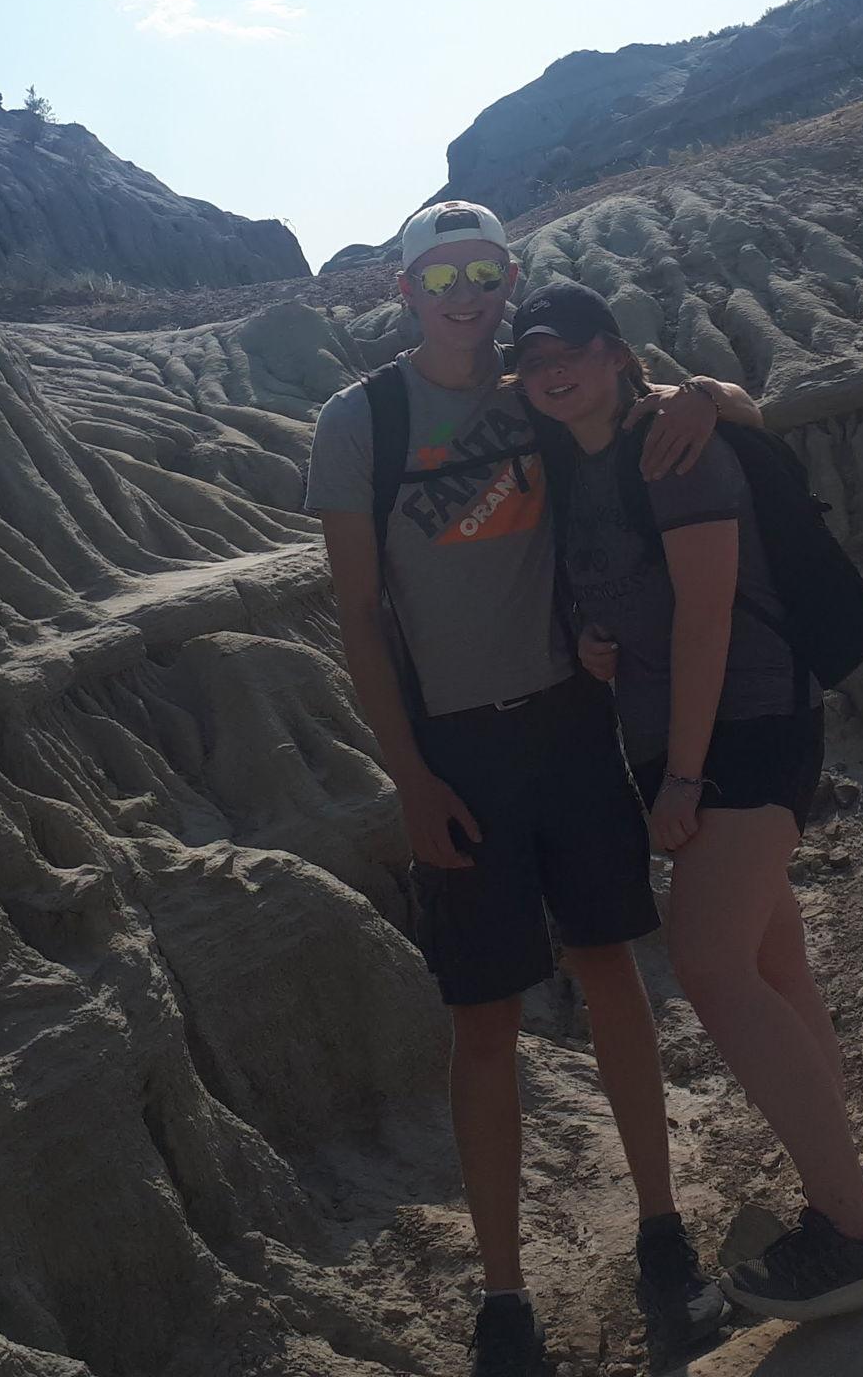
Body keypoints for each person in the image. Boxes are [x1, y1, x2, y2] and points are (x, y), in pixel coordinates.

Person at [305, 203, 762, 1377]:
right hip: (456, 748)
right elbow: (360, 612)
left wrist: (710, 393)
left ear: (507, 279)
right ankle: (503, 1300)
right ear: (403, 289)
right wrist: (407, 775)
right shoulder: (361, 421)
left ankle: (664, 1238)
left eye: (483, 271)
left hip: (568, 720)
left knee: (612, 968)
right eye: (437, 274)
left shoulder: (532, 396)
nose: (464, 293)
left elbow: (655, 409)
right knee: (483, 1020)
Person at [512, 277, 863, 1326]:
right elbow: (638, 599)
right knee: (774, 965)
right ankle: (847, 1189)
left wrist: (684, 777)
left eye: (570, 347)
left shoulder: (667, 444)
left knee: (708, 962)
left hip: (744, 729)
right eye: (533, 355)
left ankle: (852, 1238)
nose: (552, 366)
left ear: (610, 350)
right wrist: (599, 639)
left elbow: (708, 617)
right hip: (686, 736)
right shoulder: (583, 459)